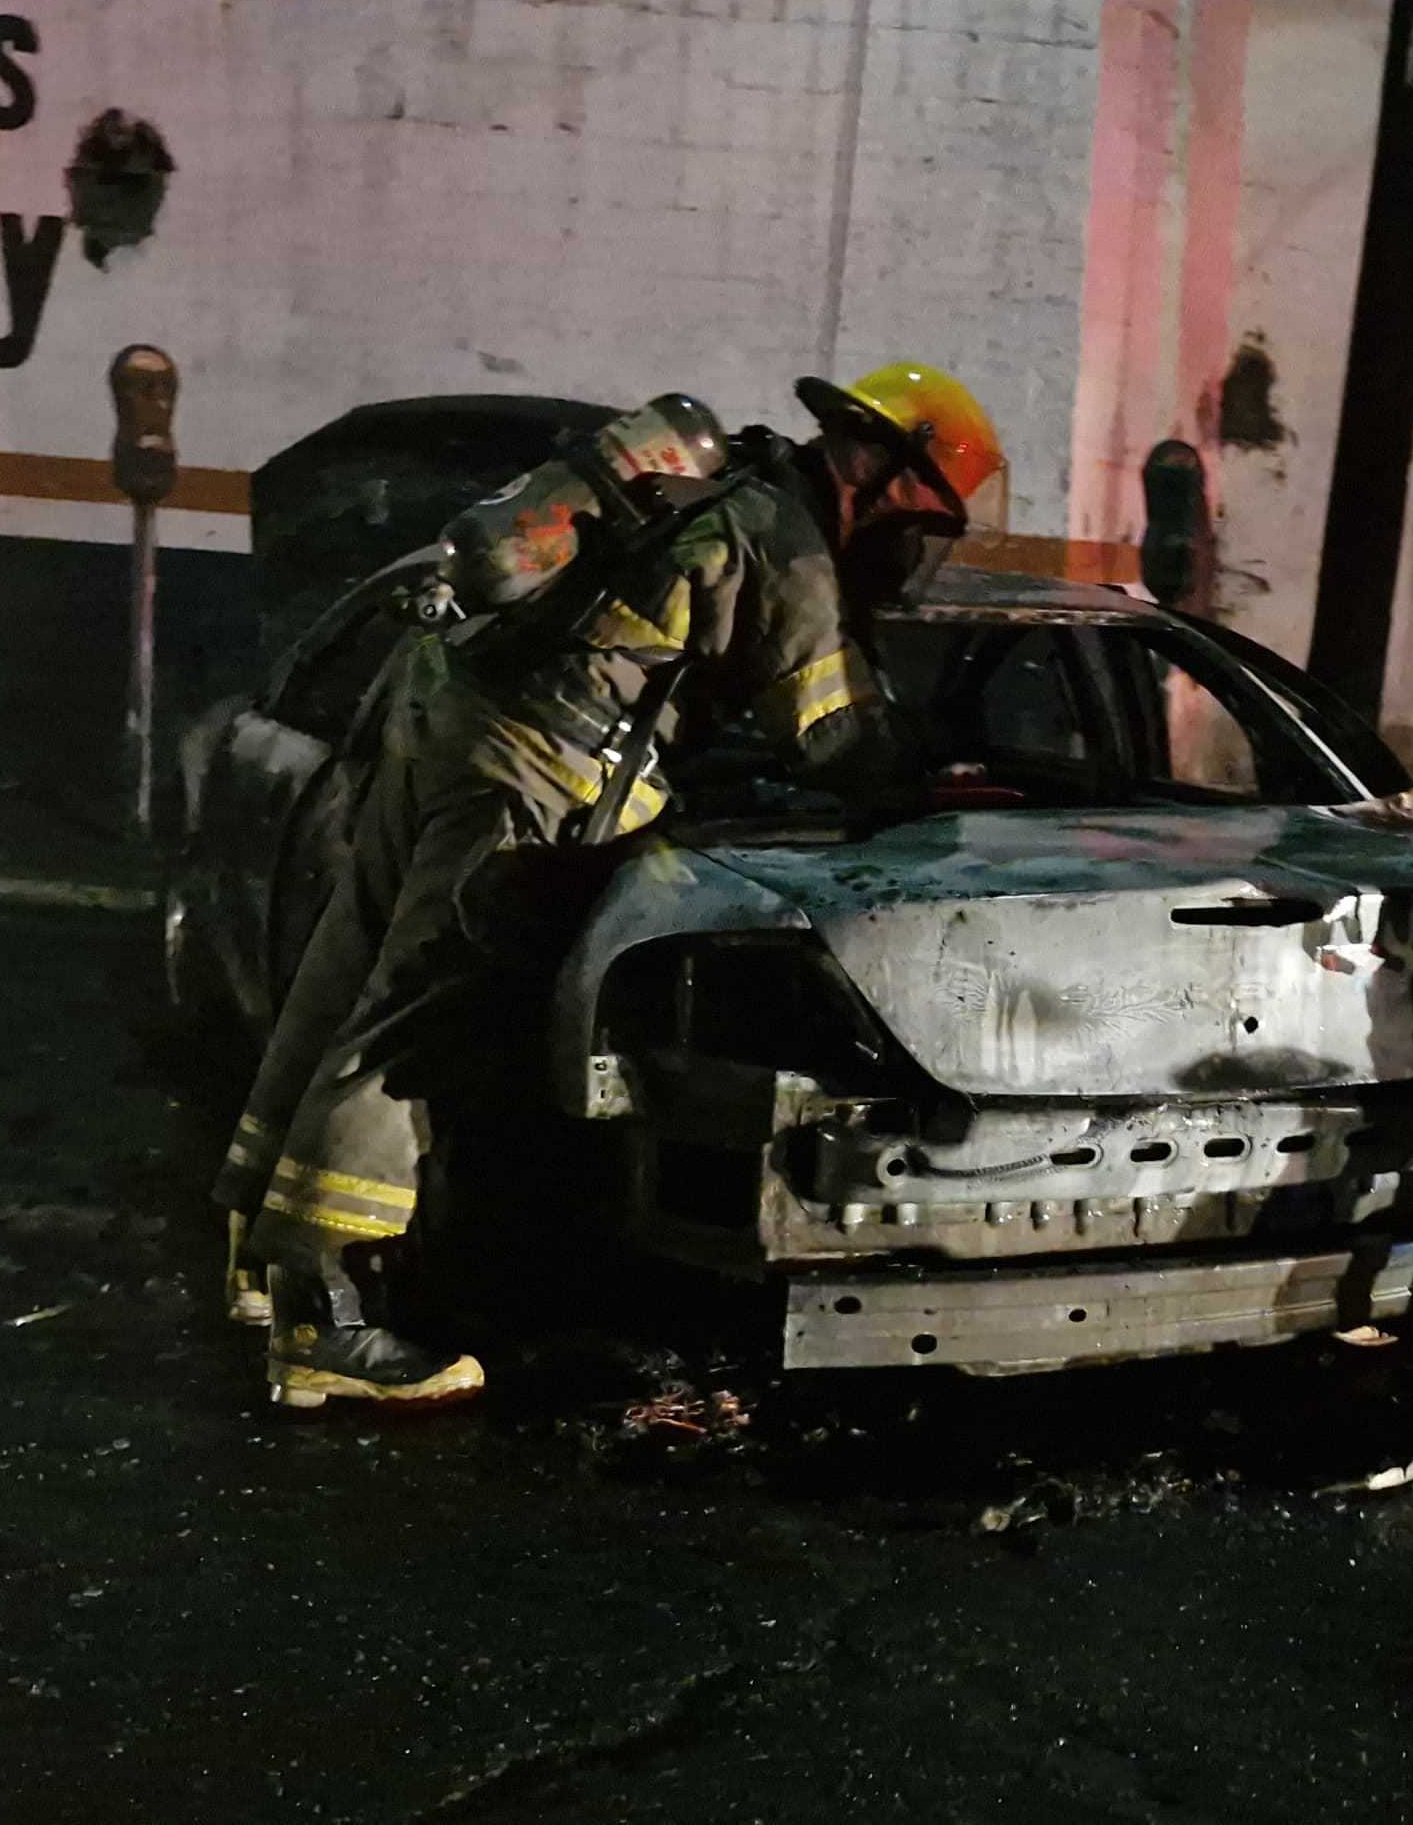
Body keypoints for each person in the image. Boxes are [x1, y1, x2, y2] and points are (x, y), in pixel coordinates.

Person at [209, 362, 1006, 1411]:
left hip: (435, 720)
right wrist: (929, 767)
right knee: (417, 1024)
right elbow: (832, 739)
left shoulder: (715, 488)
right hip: (529, 774)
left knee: (341, 975)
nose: (914, 543)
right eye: (923, 515)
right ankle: (327, 1319)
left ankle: (257, 1262)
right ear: (888, 477)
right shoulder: (788, 542)